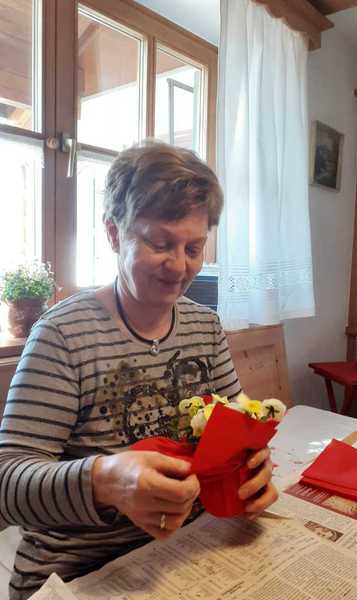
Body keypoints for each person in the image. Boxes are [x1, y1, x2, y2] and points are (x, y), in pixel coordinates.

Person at [0, 141, 278, 599]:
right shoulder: (62, 335)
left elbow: (237, 430)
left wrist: (254, 468)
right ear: (114, 233)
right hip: (77, 571)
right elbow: (7, 485)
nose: (180, 266)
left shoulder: (206, 327)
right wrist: (104, 480)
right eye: (160, 243)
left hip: (183, 553)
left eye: (194, 247)